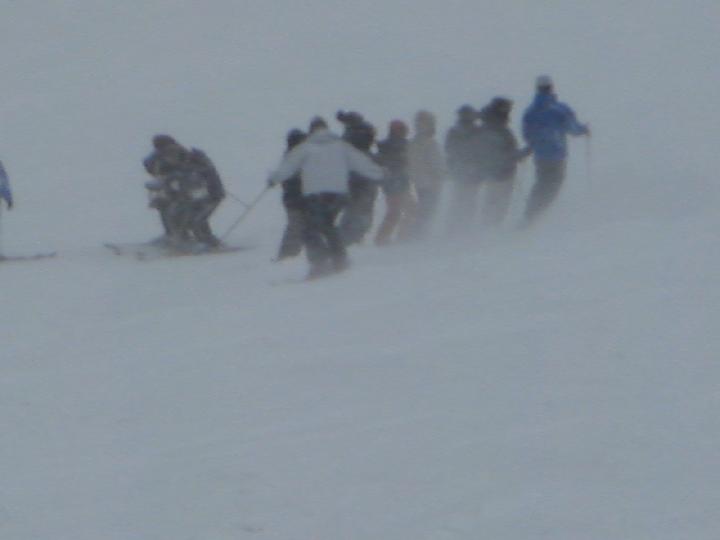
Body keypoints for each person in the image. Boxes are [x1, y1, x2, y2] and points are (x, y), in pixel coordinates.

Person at [268, 117, 384, 279]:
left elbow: (288, 166)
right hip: (338, 195)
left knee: (310, 229)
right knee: (327, 225)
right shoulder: (341, 146)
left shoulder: (305, 147)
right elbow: (362, 163)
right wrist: (380, 174)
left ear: (311, 131)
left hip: (316, 194)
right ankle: (339, 260)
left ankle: (320, 263)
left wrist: (273, 179)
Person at [521, 75, 590, 224]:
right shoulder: (560, 110)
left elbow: (527, 135)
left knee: (540, 185)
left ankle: (529, 215)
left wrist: (537, 144)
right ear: (551, 88)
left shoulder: (530, 112)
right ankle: (537, 217)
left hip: (540, 156)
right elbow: (573, 128)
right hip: (557, 155)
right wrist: (584, 130)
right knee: (553, 187)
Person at [143, 135, 225, 248]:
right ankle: (176, 237)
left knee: (196, 219)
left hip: (209, 194)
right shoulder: (162, 158)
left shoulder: (194, 157)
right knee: (168, 210)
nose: (169, 154)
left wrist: (183, 171)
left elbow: (204, 176)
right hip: (184, 194)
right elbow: (150, 166)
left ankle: (207, 241)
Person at [474, 97, 529, 227]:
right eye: (507, 109)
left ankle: (486, 228)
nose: (509, 112)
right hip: (503, 173)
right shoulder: (499, 130)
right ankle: (491, 230)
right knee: (499, 205)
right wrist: (524, 152)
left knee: (491, 203)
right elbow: (504, 154)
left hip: (491, 172)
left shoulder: (487, 126)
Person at [335, 110, 379, 245]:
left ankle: (346, 237)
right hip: (362, 181)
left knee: (353, 210)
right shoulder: (361, 134)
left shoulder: (350, 137)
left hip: (352, 180)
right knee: (361, 210)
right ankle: (352, 237)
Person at [444, 104, 484, 235]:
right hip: (472, 171)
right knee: (469, 201)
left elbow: (449, 150)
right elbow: (481, 152)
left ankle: (453, 228)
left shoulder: (453, 131)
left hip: (459, 170)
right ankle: (463, 228)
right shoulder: (477, 132)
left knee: (458, 200)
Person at [407, 110, 445, 239]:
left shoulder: (413, 143)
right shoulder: (429, 143)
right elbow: (436, 164)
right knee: (427, 211)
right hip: (430, 182)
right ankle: (418, 236)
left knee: (423, 210)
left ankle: (417, 234)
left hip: (418, 182)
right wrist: (441, 175)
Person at [374, 120, 413, 245]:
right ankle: (387, 238)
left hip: (392, 183)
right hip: (398, 182)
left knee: (398, 211)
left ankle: (386, 237)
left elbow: (380, 164)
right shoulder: (401, 145)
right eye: (403, 129)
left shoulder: (384, 146)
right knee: (400, 211)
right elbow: (405, 162)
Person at [275, 129, 308, 260]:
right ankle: (287, 254)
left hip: (294, 198)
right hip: (295, 199)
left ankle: (291, 253)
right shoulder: (294, 158)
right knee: (296, 226)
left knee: (298, 226)